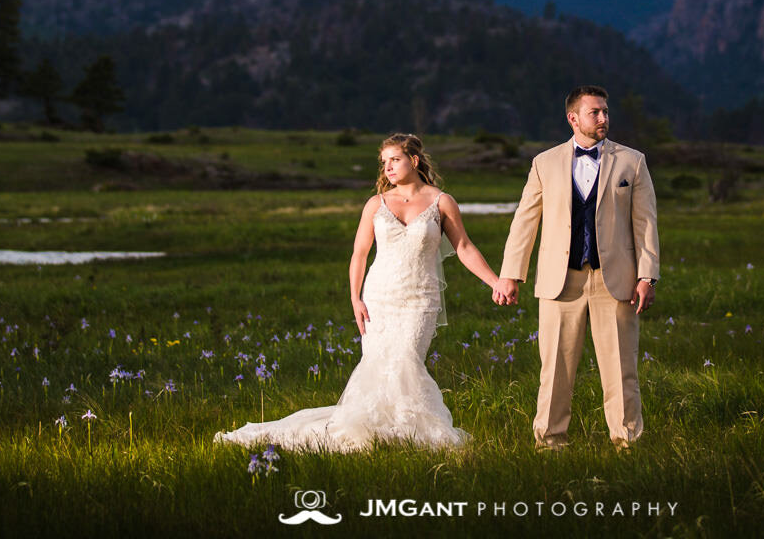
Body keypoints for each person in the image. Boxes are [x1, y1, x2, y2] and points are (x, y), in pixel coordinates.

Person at [214, 133, 500, 452]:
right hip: (379, 296)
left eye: (395, 159)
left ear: (414, 160)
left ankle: (408, 427)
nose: (388, 167)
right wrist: (355, 298)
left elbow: (464, 246)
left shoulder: (441, 201)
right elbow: (359, 253)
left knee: (406, 359)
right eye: (384, 162)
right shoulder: (376, 204)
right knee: (378, 364)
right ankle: (377, 429)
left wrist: (496, 282)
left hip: (420, 298)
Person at [493, 85, 660, 449]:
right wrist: (510, 274)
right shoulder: (545, 163)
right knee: (554, 370)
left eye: (605, 111)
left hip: (615, 281)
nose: (603, 118)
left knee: (621, 369)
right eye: (594, 112)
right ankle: (550, 443)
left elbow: (645, 222)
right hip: (559, 280)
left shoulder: (632, 162)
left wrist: (647, 275)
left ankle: (626, 442)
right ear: (573, 118)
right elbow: (525, 221)